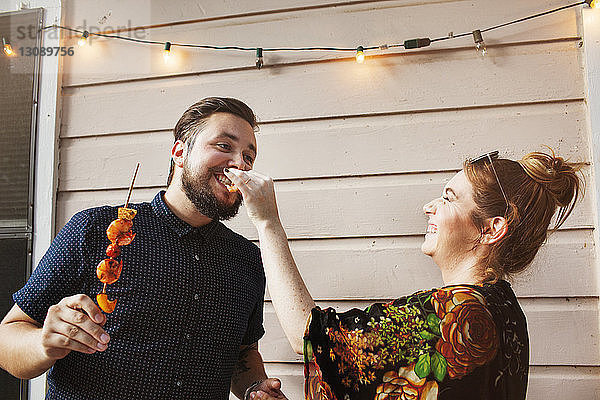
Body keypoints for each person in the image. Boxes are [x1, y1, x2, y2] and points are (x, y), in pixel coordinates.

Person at [222, 149, 584, 400]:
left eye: (449, 197)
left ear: (491, 229)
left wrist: (267, 222)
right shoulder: (504, 306)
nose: (429, 206)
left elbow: (316, 336)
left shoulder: (456, 310)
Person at [0, 97, 287, 400]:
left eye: (248, 157)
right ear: (179, 151)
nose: (239, 164)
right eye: (224, 146)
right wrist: (45, 344)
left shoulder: (248, 259)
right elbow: (8, 339)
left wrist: (255, 387)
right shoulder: (94, 229)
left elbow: (243, 353)